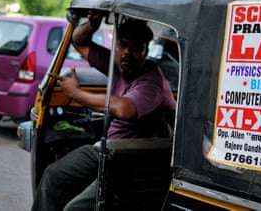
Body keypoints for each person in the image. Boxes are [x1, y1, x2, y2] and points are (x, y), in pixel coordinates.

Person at [31, 11, 176, 211]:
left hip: (131, 159)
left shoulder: (151, 82)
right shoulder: (117, 65)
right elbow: (79, 42)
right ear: (115, 46)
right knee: (54, 175)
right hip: (107, 149)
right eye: (122, 45)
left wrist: (76, 93)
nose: (127, 52)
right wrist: (92, 24)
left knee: (75, 209)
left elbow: (124, 108)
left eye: (135, 48)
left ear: (145, 51)